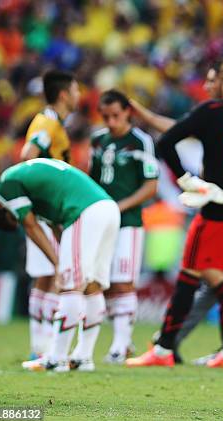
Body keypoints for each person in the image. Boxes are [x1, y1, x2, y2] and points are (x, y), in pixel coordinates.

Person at [126, 58, 223, 369]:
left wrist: (186, 178)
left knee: (189, 275)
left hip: (213, 207)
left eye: (216, 79)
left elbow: (167, 141)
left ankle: (164, 348)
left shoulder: (211, 113)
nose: (209, 85)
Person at [0, 159, 119, 372]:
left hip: (84, 211)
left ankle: (56, 358)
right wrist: (62, 257)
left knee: (70, 286)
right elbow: (55, 226)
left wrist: (59, 263)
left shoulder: (4, 185)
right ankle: (84, 357)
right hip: (108, 208)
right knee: (92, 284)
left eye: (14, 218)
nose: (19, 219)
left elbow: (30, 225)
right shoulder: (35, 189)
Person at [89, 89, 159, 363]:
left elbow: (151, 185)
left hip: (128, 222)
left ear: (128, 112)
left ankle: (119, 344)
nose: (111, 122)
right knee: (102, 281)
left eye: (116, 116)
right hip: (100, 221)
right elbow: (92, 180)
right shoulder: (98, 140)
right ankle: (123, 341)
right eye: (106, 116)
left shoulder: (141, 141)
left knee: (124, 281)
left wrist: (121, 205)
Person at [19, 70, 81, 360]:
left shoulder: (55, 123)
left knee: (47, 275)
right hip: (46, 211)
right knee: (53, 273)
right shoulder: (46, 122)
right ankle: (42, 348)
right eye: (76, 89)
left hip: (50, 210)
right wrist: (43, 194)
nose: (80, 95)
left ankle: (39, 348)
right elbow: (27, 155)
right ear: (64, 94)